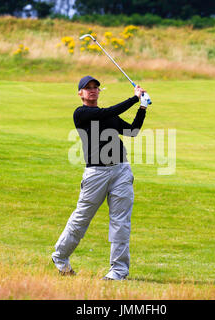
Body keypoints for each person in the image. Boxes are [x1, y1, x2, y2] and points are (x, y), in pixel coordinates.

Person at [51, 75, 148, 280]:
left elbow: (132, 131)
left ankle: (118, 271)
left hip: (121, 170)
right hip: (96, 174)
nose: (92, 90)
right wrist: (133, 98)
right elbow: (107, 112)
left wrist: (142, 108)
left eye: (96, 87)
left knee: (121, 222)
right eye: (88, 88)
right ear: (80, 93)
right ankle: (60, 257)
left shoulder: (108, 115)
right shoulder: (82, 113)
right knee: (81, 218)